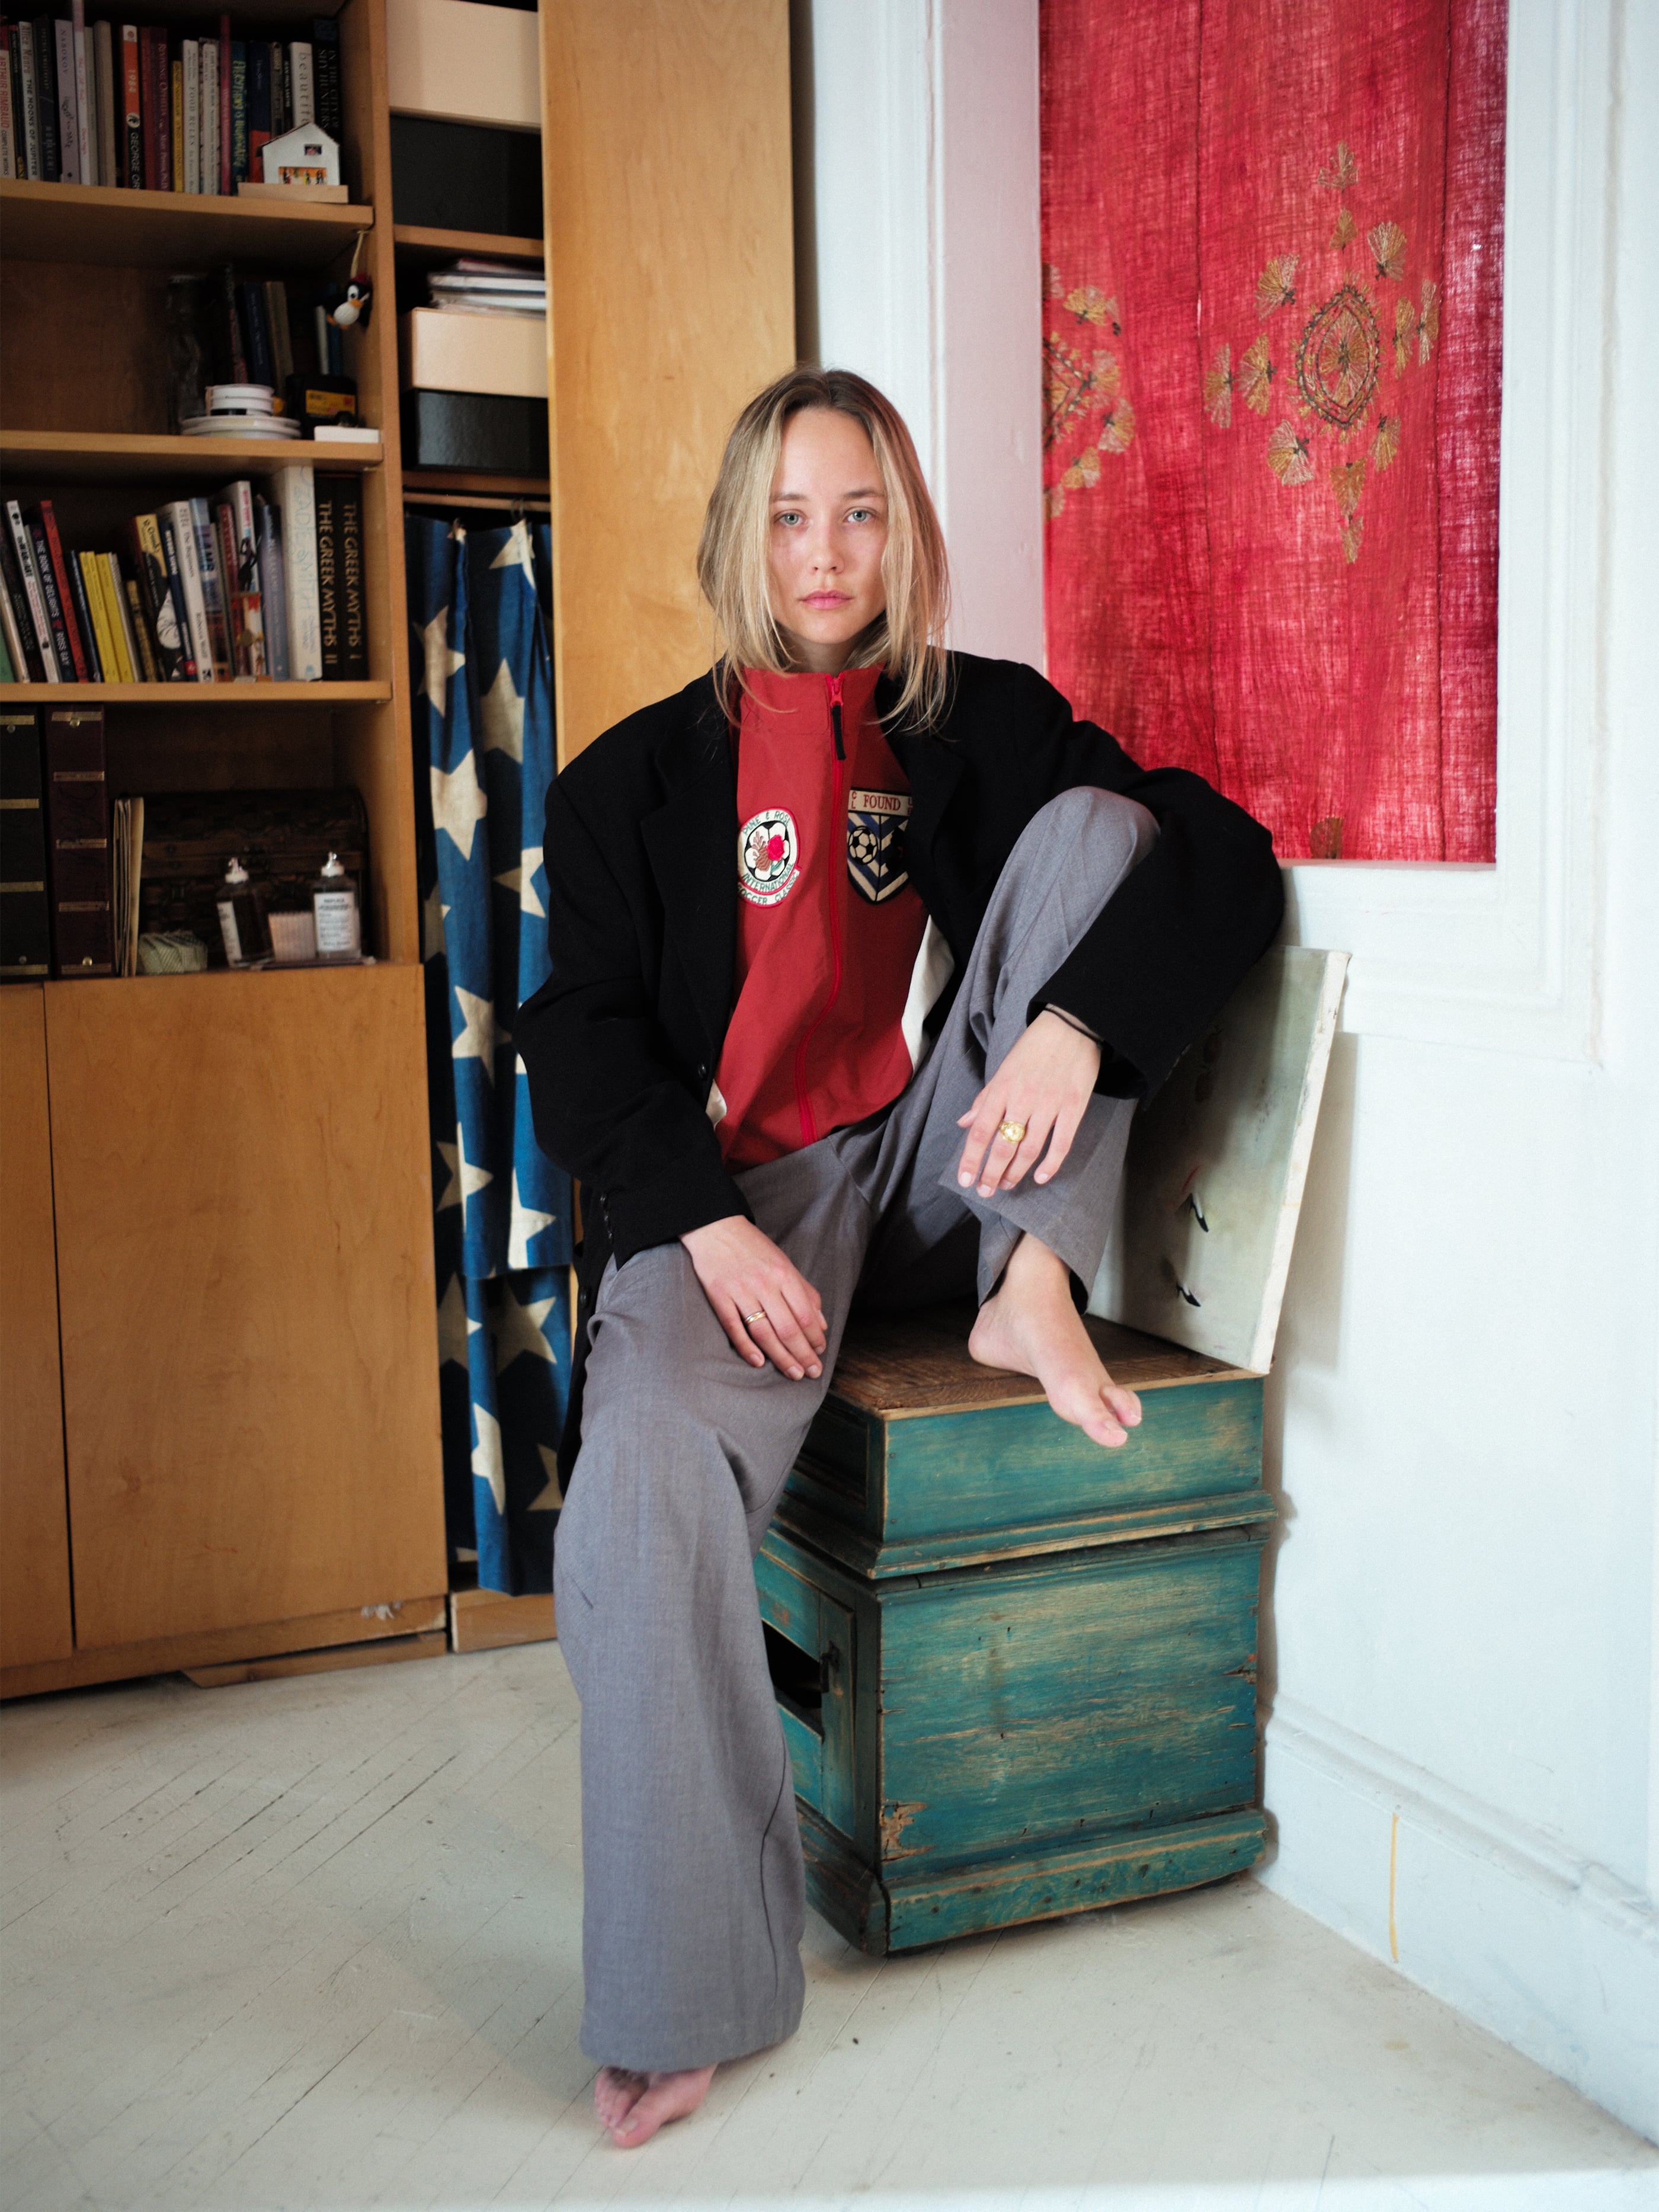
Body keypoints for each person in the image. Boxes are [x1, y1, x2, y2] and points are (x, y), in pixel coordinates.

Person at [517, 367, 1282, 2147]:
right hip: (741, 1208)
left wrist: (1074, 1029)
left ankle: (1037, 1289)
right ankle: (685, 1985)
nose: (827, 552)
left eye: (861, 512)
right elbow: (581, 1034)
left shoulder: (986, 720)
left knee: (1106, 831)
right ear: (741, 536)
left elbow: (1221, 860)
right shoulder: (623, 781)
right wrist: (705, 1225)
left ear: (905, 532)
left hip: (947, 1176)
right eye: (791, 516)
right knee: (639, 1476)